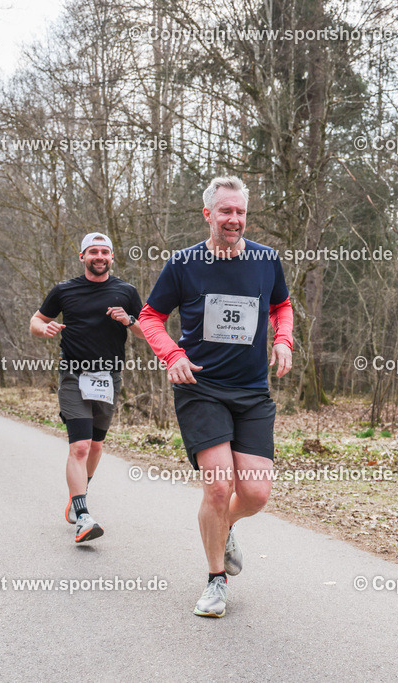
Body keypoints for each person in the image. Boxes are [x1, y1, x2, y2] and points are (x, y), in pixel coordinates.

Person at [139, 176, 293, 617]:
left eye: (241, 211)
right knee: (218, 486)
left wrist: (283, 338)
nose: (234, 219)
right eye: (225, 211)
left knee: (257, 495)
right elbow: (151, 316)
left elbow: (282, 304)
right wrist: (171, 355)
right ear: (208, 214)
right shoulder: (184, 264)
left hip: (251, 391)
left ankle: (223, 529)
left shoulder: (266, 260)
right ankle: (215, 581)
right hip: (200, 387)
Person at [30, 233, 145, 543]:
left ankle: (78, 493)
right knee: (79, 446)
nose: (99, 255)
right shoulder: (64, 290)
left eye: (104, 251)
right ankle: (83, 516)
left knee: (95, 446)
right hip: (73, 375)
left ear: (111, 257)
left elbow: (146, 332)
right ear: (82, 256)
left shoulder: (126, 291)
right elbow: (35, 322)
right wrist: (46, 329)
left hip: (109, 378)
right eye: (93, 251)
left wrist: (128, 319)